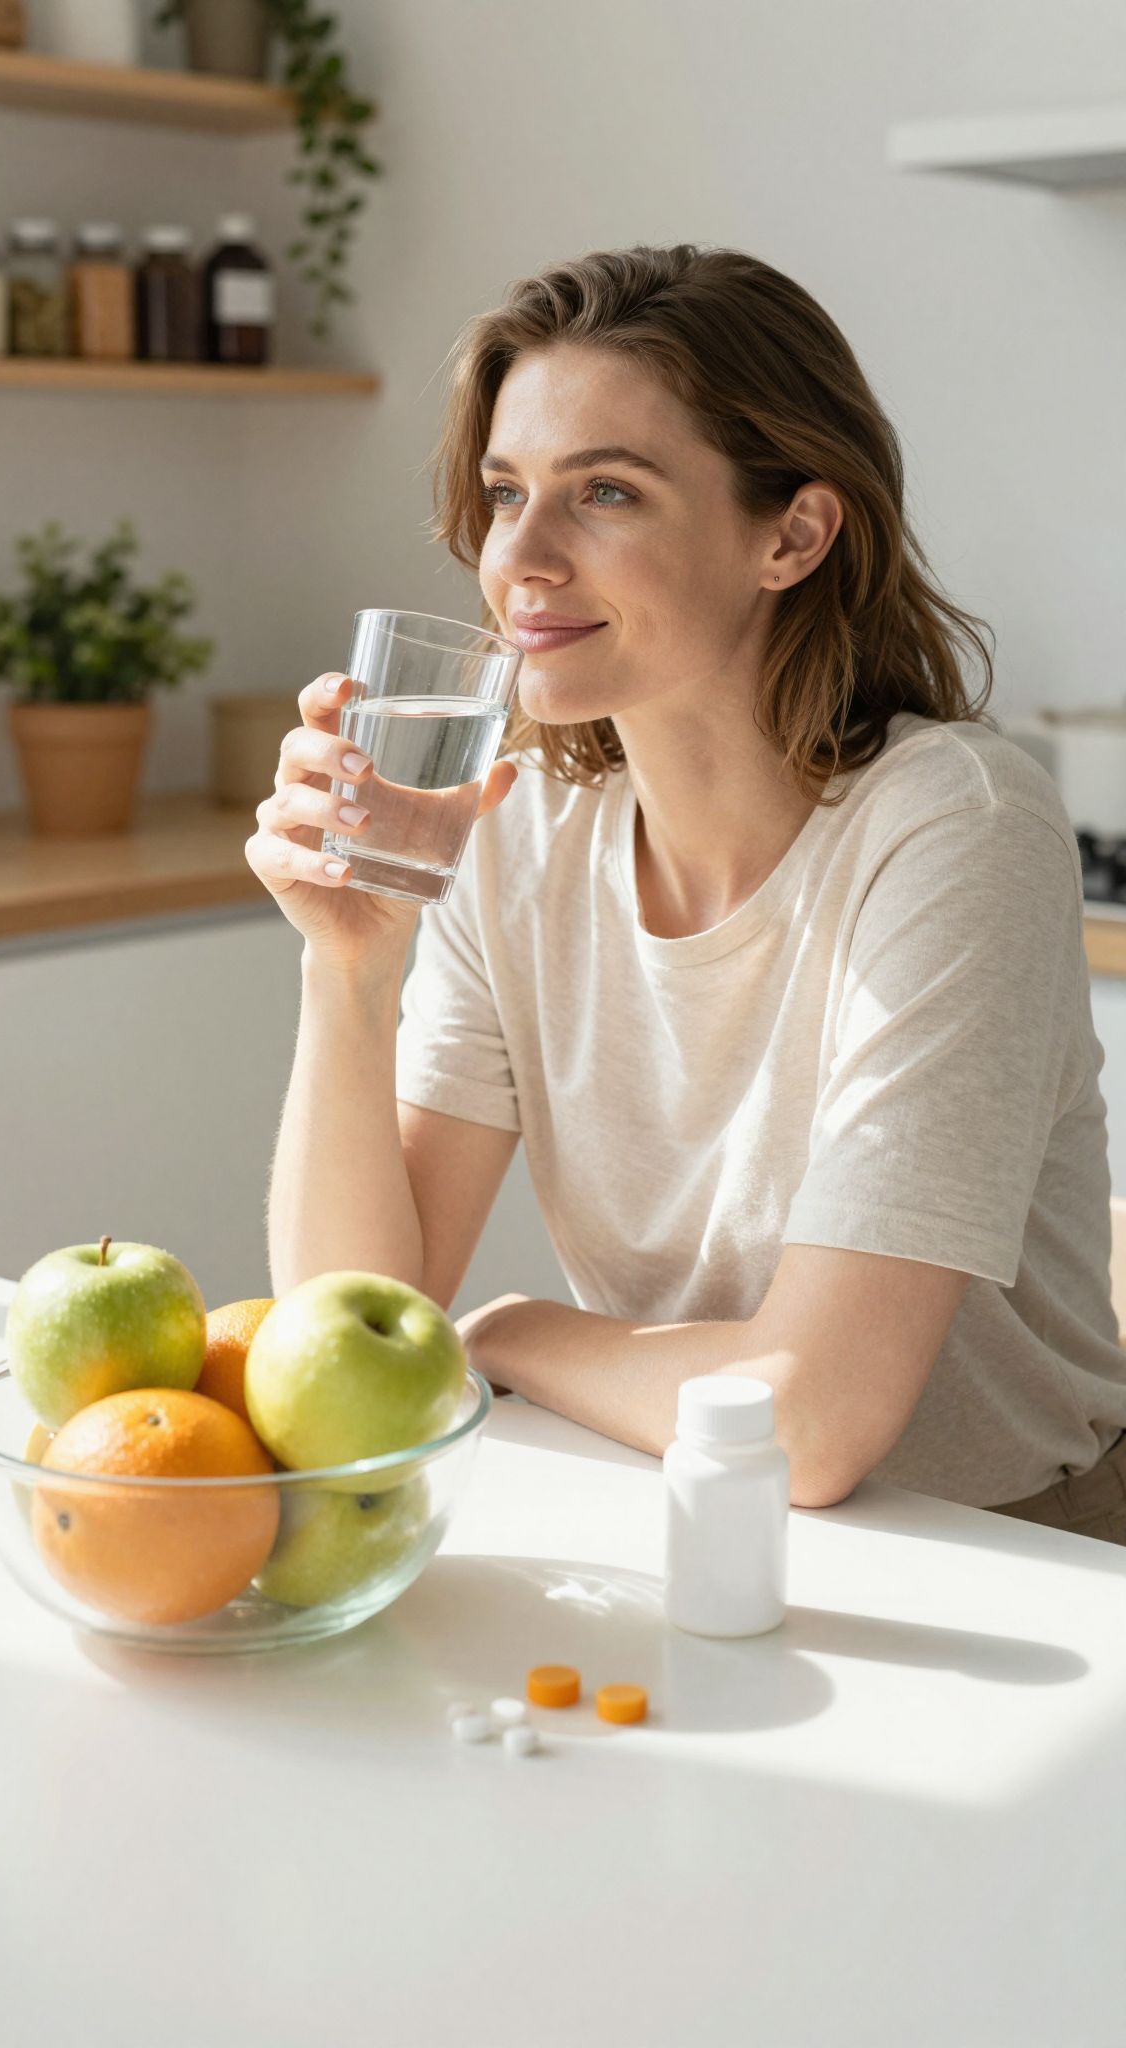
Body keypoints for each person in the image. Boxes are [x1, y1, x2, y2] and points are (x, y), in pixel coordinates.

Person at [246, 242, 1126, 1543]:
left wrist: (513, 1330)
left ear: (794, 533)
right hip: (689, 1510)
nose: (522, 559)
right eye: (505, 493)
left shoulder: (953, 829)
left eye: (604, 492)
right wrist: (351, 964)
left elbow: (811, 1421)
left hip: (1014, 1553)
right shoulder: (519, 821)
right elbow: (348, 1330)